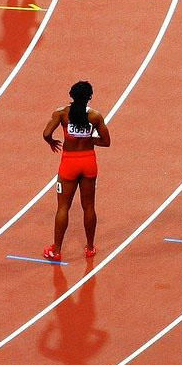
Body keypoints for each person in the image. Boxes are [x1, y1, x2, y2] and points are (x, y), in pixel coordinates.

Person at [42, 81, 111, 260]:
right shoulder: (95, 117)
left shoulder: (62, 114)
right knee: (89, 206)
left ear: (71, 95)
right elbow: (106, 141)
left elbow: (46, 134)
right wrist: (89, 140)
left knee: (63, 207)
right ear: (90, 97)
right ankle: (89, 248)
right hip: (88, 162)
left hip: (69, 164)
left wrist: (51, 142)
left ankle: (56, 250)